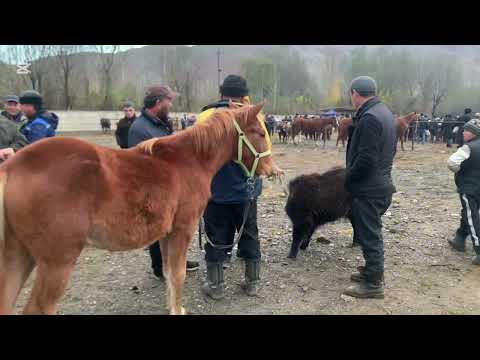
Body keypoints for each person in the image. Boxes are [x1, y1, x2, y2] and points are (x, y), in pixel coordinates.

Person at [198, 74, 272, 300]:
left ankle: (216, 285)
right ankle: (253, 282)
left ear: (221, 93)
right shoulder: (253, 117)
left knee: (216, 233)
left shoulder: (205, 116)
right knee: (249, 231)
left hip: (214, 190)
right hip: (246, 190)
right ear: (244, 95)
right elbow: (264, 150)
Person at [127, 85, 199, 279]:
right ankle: (160, 266)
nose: (171, 104)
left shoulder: (161, 123)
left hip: (168, 185)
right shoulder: (140, 128)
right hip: (152, 188)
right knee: (158, 228)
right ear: (158, 102)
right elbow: (137, 165)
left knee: (172, 227)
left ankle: (175, 260)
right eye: (169, 100)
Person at [343, 76, 397, 299]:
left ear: (355, 93)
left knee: (370, 234)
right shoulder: (384, 113)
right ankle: (370, 271)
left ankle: (374, 284)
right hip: (380, 182)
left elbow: (366, 159)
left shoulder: (369, 118)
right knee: (368, 232)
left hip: (369, 188)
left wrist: (347, 178)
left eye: (351, 94)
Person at [447, 119, 480, 266]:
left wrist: (460, 171)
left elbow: (452, 162)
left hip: (469, 187)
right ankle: (460, 237)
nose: (463, 132)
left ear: (473, 133)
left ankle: (479, 249)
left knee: (471, 215)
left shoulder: (468, 148)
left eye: (466, 130)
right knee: (468, 212)